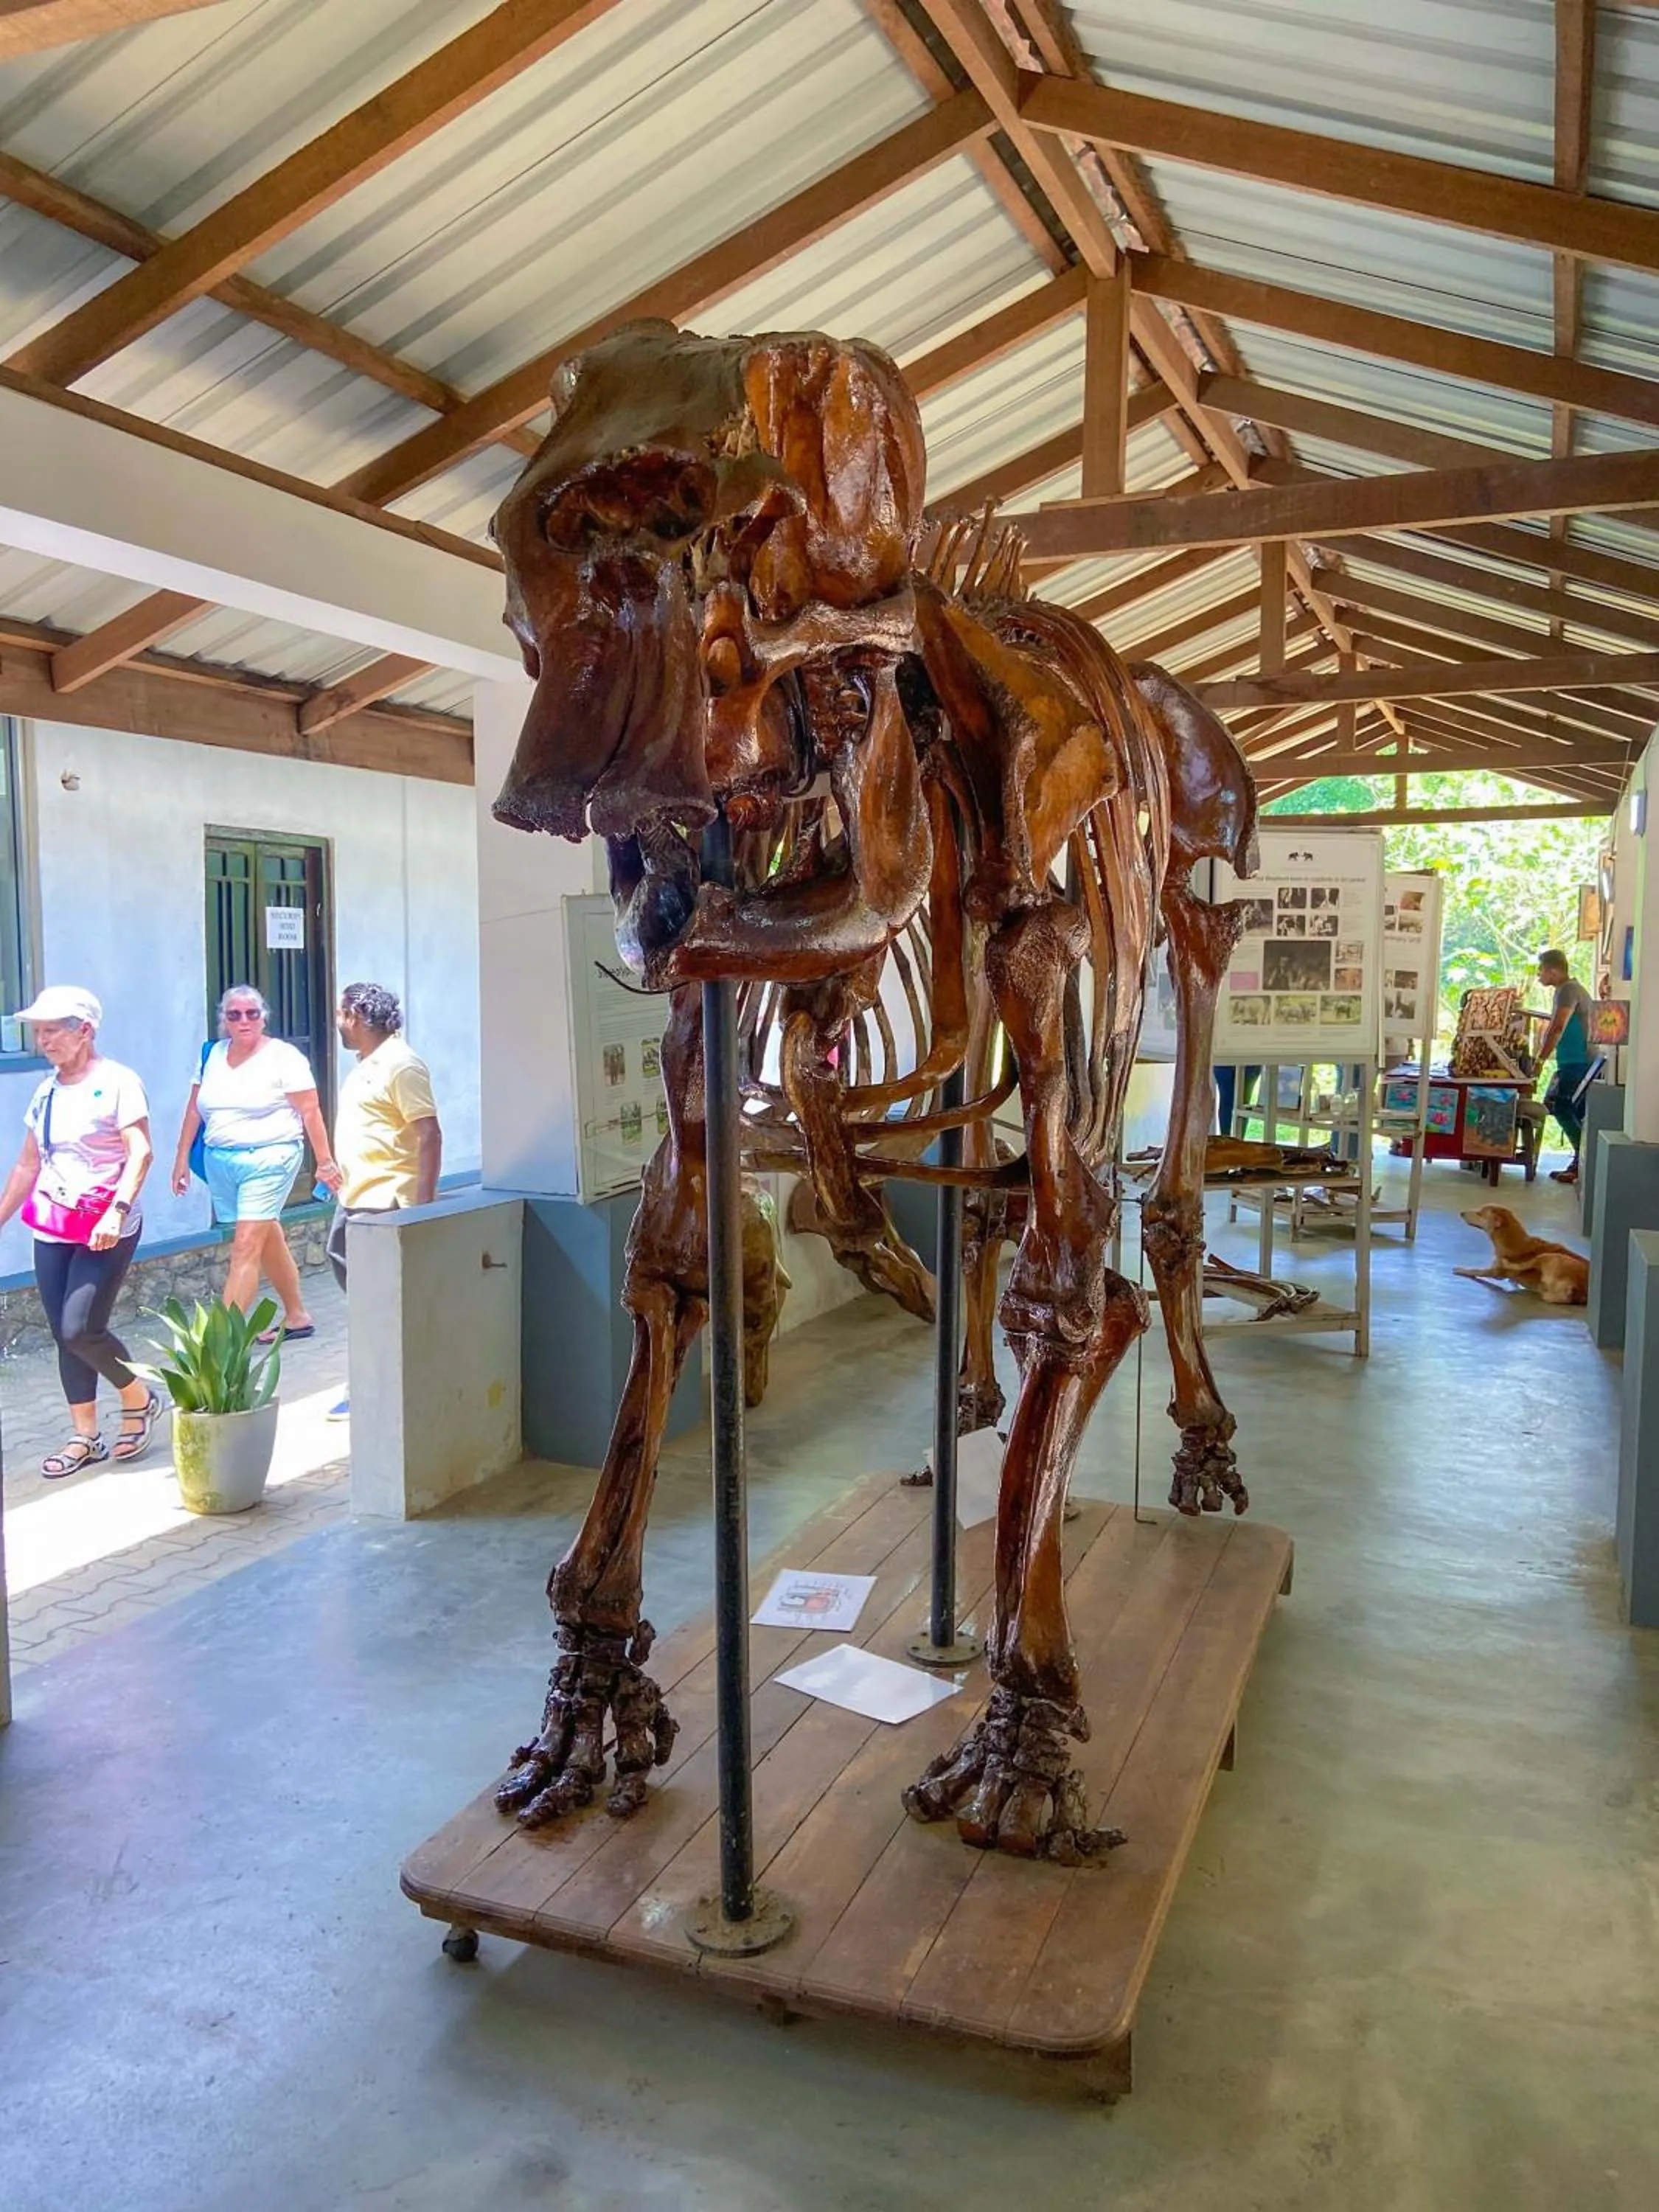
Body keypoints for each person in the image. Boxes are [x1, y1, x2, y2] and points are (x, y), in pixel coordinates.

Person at [0, 987, 162, 1476]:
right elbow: (28, 1165)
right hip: (55, 1224)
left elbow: (141, 1152)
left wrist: (116, 1211)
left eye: (52, 1030)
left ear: (85, 1030)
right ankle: (85, 1437)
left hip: (107, 1226)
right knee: (63, 1334)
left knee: (80, 1328)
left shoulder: (118, 1082)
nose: (44, 1040)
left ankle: (138, 1397)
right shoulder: (46, 1091)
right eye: (39, 1032)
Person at [171, 987, 340, 1335]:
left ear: (264, 1017)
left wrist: (324, 1163)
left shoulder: (284, 1057)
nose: (244, 1021)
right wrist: (181, 1158)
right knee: (265, 1237)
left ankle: (218, 1344)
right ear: (224, 1020)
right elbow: (194, 1110)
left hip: (270, 1159)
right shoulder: (212, 1055)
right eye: (234, 1015)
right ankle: (297, 1316)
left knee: (245, 1247)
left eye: (252, 1013)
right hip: (221, 1162)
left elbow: (310, 1111)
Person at [324, 983, 442, 1421]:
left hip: (387, 1201)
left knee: (378, 1303)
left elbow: (429, 1134)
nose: (338, 1023)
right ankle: (375, 1382)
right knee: (365, 1298)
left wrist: (423, 1210)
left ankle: (374, 1388)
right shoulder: (367, 1063)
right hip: (357, 1195)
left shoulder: (401, 1065)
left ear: (355, 1016)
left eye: (341, 1014)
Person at [1529, 949, 1596, 1186]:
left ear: (1554, 970)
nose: (1539, 975)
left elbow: (1558, 1027)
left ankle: (1582, 1164)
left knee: (1561, 1107)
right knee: (1569, 1110)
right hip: (1573, 1061)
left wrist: (1540, 1061)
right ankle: (1580, 1163)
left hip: (1578, 1061)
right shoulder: (1567, 990)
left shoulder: (1568, 990)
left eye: (1541, 970)